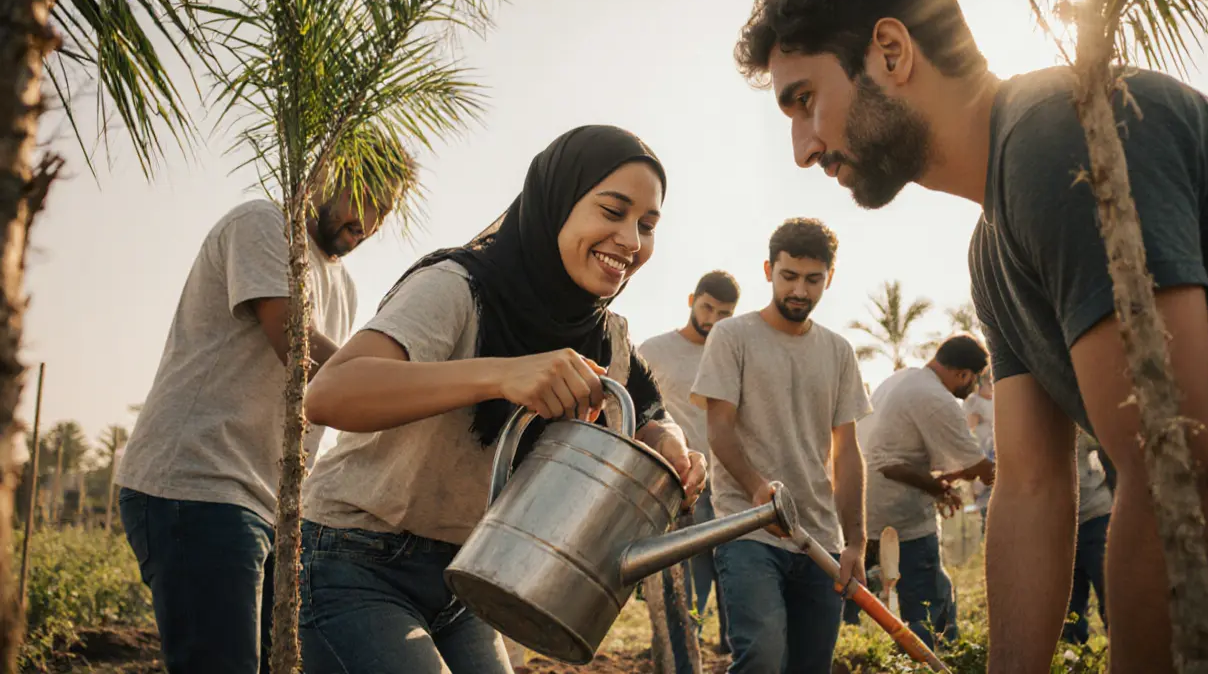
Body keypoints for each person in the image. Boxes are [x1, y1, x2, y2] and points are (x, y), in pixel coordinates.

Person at [731, 0, 1208, 671]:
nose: (802, 148)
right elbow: (1030, 488)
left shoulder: (1060, 137)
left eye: (805, 100)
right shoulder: (993, 250)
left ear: (891, 53)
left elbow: (1173, 473)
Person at [295, 125, 708, 674]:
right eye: (613, 211)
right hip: (351, 555)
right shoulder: (458, 286)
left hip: (471, 573)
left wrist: (671, 449)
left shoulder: (606, 336)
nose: (632, 240)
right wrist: (499, 375)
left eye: (647, 225)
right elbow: (329, 394)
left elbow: (652, 415)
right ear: (555, 202)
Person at [115, 140, 414, 674]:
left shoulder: (343, 285)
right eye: (365, 195)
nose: (369, 221)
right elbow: (297, 349)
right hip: (197, 485)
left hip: (270, 508)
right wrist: (416, 392)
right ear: (328, 174)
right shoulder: (264, 224)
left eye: (384, 210)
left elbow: (326, 402)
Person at [691, 217, 872, 673]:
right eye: (789, 276)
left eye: (813, 280)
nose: (800, 290)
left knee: (811, 667)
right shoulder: (733, 337)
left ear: (829, 278)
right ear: (768, 270)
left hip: (820, 538)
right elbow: (720, 429)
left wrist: (856, 542)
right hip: (748, 528)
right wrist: (758, 489)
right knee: (764, 657)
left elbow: (846, 452)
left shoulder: (839, 352)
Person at [854, 335, 995, 649]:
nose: (972, 388)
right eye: (973, 380)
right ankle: (936, 659)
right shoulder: (936, 397)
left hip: (865, 508)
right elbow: (982, 468)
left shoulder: (903, 379)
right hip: (901, 515)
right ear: (963, 374)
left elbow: (890, 455)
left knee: (864, 590)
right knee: (928, 602)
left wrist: (940, 484)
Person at [638, 270, 741, 669]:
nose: (713, 318)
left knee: (731, 576)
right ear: (691, 300)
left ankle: (728, 655)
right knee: (681, 585)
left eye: (724, 313)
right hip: (676, 484)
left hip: (728, 485)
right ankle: (678, 657)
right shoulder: (655, 350)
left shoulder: (731, 355)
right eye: (707, 307)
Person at [1063, 430, 1114, 646]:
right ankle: (1072, 651)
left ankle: (1125, 652)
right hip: (1063, 524)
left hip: (1095, 514)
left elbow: (1108, 439)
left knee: (1108, 588)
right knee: (1069, 598)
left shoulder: (1078, 426)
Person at [961, 370, 995, 530]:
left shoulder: (995, 399)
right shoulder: (973, 401)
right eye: (988, 383)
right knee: (983, 491)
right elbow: (970, 428)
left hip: (996, 449)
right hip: (983, 452)